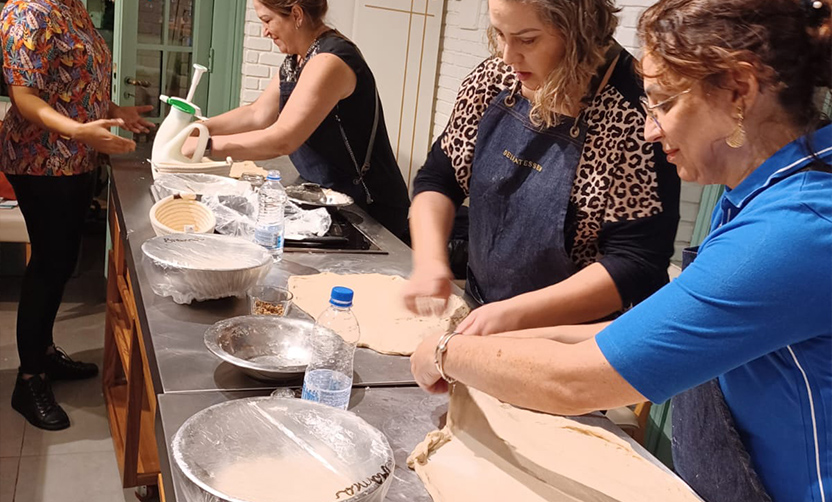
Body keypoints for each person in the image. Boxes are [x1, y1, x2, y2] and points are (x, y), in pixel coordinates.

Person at [410, 0, 832, 500]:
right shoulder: (770, 187)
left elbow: (576, 383)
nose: (651, 130)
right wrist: (508, 332)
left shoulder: (793, 229)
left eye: (665, 103)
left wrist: (446, 351)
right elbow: (660, 332)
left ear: (739, 90)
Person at [402, 0, 680, 334]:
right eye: (500, 34)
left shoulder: (634, 117)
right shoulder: (496, 80)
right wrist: (431, 261)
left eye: (527, 39)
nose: (508, 56)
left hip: (571, 340)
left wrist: (515, 314)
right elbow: (440, 177)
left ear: (579, 32)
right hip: (482, 313)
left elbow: (636, 263)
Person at [1, 0, 153, 431]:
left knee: (63, 261)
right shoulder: (25, 12)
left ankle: (44, 353)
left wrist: (112, 110)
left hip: (77, 157)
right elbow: (24, 97)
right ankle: (28, 380)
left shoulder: (72, 7)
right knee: (48, 266)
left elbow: (76, 82)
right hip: (40, 160)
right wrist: (78, 131)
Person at [187, 0, 411, 240]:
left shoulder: (330, 61)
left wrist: (207, 146)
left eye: (267, 20)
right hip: (330, 196)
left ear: (296, 14)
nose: (265, 31)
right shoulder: (297, 60)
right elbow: (258, 113)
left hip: (368, 208)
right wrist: (202, 127)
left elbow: (283, 139)